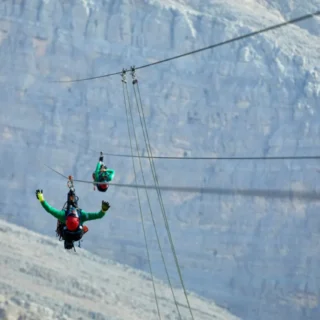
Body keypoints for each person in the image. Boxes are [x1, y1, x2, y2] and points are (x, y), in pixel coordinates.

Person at [35, 189, 111, 250]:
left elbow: (49, 209)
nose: (72, 210)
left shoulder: (63, 216)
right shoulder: (81, 216)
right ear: (77, 219)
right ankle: (71, 194)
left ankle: (71, 194)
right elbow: (98, 215)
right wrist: (103, 210)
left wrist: (41, 199)